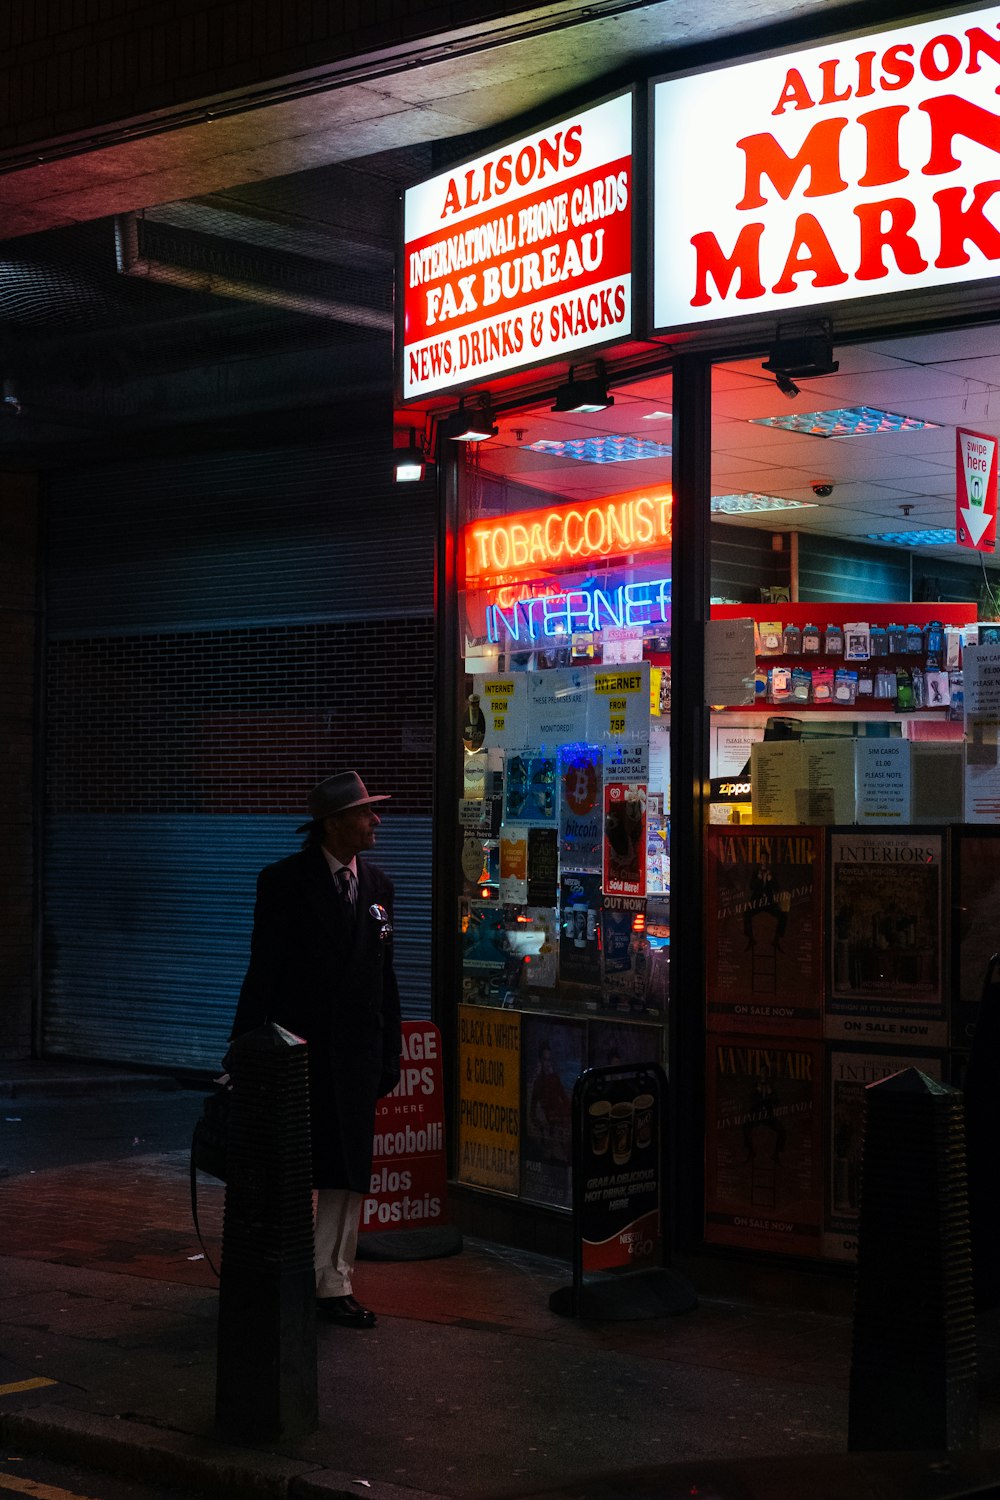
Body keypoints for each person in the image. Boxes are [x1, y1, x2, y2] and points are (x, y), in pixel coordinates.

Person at [230, 770, 402, 1329]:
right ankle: (282, 1271)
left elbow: (386, 978)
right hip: (297, 1053)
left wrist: (390, 1051)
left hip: (356, 1055)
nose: (375, 820)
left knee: (347, 1171)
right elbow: (263, 970)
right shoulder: (282, 882)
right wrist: (240, 1050)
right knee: (291, 1164)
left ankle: (334, 1282)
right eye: (364, 812)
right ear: (334, 824)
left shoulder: (378, 886)